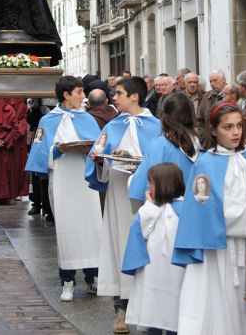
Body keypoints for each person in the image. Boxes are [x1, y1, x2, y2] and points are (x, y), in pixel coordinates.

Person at [173, 102, 246, 335]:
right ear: (214, 130)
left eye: (239, 125)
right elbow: (204, 212)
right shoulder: (205, 165)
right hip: (220, 251)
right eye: (228, 127)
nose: (236, 132)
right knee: (221, 311)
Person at [86, 77, 161, 334]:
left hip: (148, 198)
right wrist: (98, 160)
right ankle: (121, 309)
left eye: (118, 93)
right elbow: (97, 155)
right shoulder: (112, 126)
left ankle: (153, 309)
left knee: (150, 247)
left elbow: (164, 160)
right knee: (120, 245)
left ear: (134, 96)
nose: (114, 98)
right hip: (119, 193)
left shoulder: (157, 127)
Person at [25, 76, 102, 301]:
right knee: (67, 230)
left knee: (91, 228)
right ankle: (67, 280)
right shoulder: (48, 121)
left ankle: (92, 278)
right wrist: (57, 151)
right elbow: (40, 152)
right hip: (61, 180)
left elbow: (99, 148)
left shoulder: (87, 119)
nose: (83, 96)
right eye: (79, 91)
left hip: (85, 182)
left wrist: (92, 151)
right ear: (66, 94)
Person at [122, 163, 186, 335]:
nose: (148, 187)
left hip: (177, 272)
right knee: (153, 312)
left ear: (163, 185)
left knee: (175, 313)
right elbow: (140, 230)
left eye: (151, 183)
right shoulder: (150, 209)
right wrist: (150, 205)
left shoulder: (183, 210)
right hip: (153, 272)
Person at [129, 92, 200, 206]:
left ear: (164, 115)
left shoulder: (159, 144)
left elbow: (141, 183)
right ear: (192, 115)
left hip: (165, 210)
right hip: (193, 207)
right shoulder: (200, 143)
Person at [0, 98, 28, 205]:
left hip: (1, 146)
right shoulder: (6, 109)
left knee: (0, 171)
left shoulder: (7, 109)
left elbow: (14, 127)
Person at [26, 99, 53, 220]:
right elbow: (31, 120)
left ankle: (49, 207)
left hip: (52, 137)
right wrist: (34, 108)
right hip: (39, 133)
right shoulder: (36, 106)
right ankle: (36, 202)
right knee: (37, 173)